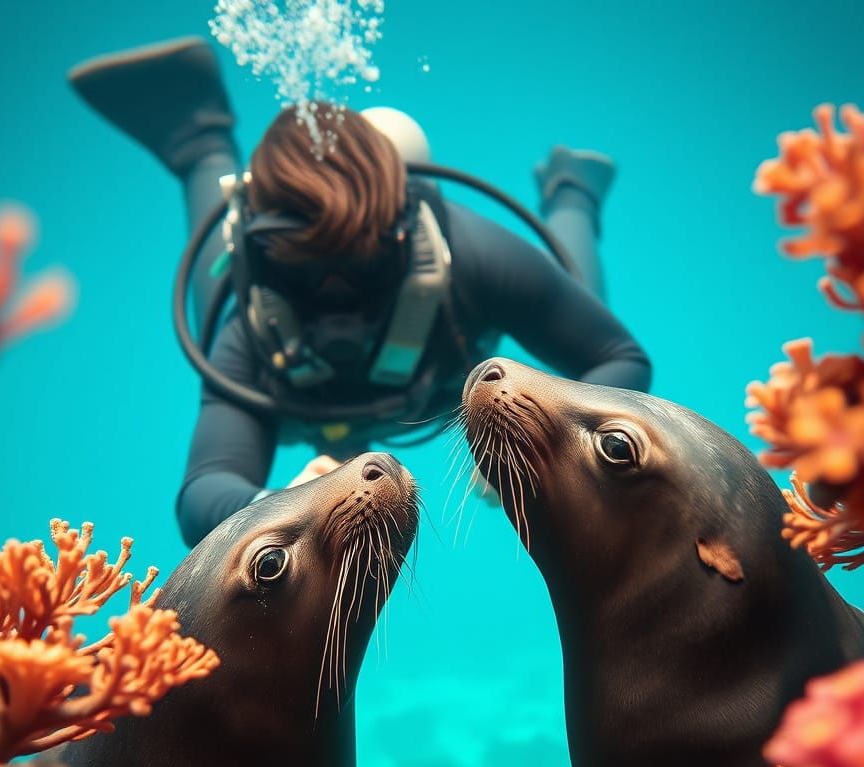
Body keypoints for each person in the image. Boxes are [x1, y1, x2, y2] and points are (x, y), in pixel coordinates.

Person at [69, 38, 652, 547]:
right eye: (301, 267)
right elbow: (204, 491)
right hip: (290, 391)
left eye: (362, 264)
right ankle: (200, 141)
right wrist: (273, 507)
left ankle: (570, 192)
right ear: (263, 251)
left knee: (575, 325)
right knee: (215, 296)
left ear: (405, 234)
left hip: (443, 380)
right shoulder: (252, 313)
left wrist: (540, 433)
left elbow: (615, 356)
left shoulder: (467, 252)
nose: (336, 298)